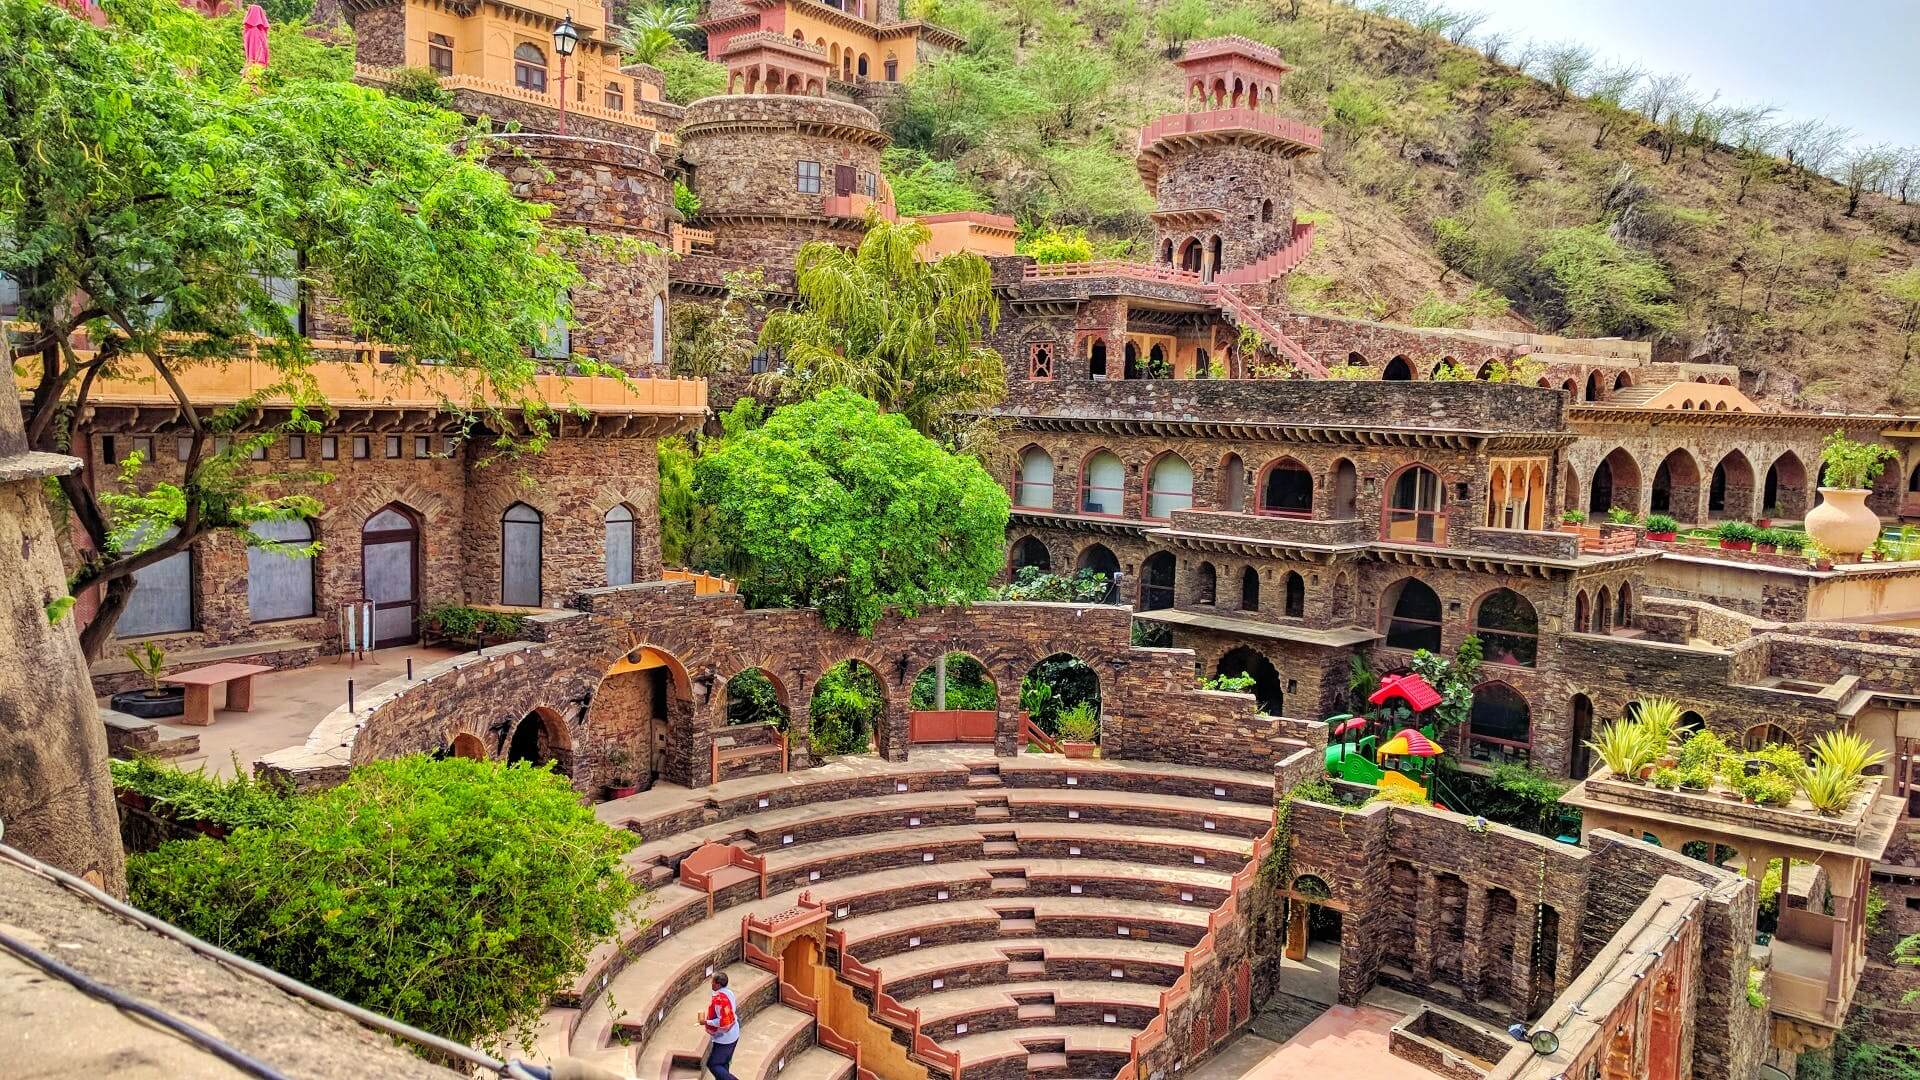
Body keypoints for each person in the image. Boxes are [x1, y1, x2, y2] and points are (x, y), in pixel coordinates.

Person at [700, 971, 740, 1080]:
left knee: (714, 1064)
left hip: (725, 1038)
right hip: (734, 1033)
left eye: (712, 982)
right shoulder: (729, 993)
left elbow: (721, 1020)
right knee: (724, 1063)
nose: (711, 983)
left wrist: (706, 1022)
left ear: (718, 984)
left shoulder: (719, 1000)